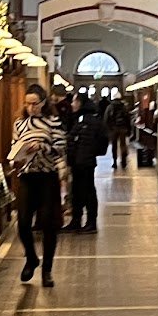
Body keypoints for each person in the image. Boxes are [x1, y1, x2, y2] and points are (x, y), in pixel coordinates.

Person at [6, 83, 66, 286]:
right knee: (23, 222)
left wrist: (41, 146)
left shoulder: (53, 121)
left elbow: (60, 147)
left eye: (35, 104)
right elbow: (15, 145)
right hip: (27, 177)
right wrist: (17, 157)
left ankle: (47, 270)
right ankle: (31, 258)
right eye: (27, 104)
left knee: (49, 225)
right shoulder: (19, 123)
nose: (31, 108)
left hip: (47, 177)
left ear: (43, 103)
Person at [65, 89, 106, 232]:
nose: (72, 104)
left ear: (80, 103)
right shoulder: (83, 118)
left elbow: (78, 140)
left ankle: (89, 222)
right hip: (82, 161)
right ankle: (79, 221)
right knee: (78, 191)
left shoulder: (86, 120)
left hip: (83, 162)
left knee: (86, 191)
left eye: (74, 101)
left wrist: (84, 154)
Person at [105, 92, 133, 170]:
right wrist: (129, 129)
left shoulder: (110, 107)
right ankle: (123, 162)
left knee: (114, 146)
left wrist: (108, 129)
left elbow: (106, 118)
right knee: (123, 145)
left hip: (113, 129)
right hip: (123, 128)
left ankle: (114, 162)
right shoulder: (124, 106)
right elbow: (128, 118)